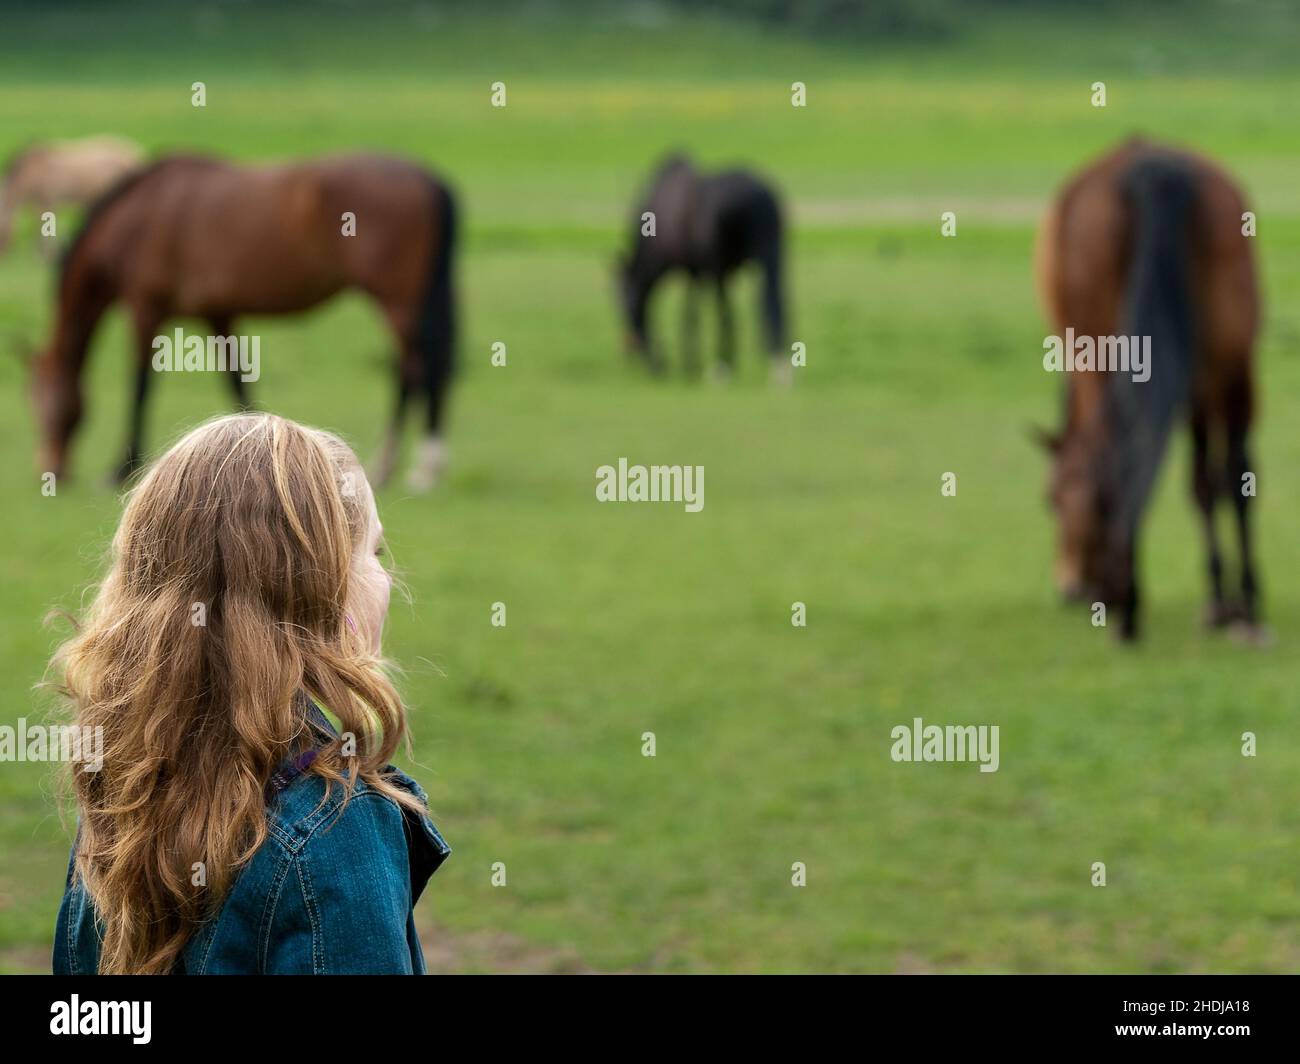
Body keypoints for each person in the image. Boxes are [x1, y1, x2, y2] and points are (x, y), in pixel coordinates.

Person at [50, 413, 449, 974]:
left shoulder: (124, 794)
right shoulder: (337, 825)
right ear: (317, 589)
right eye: (374, 555)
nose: (388, 581)